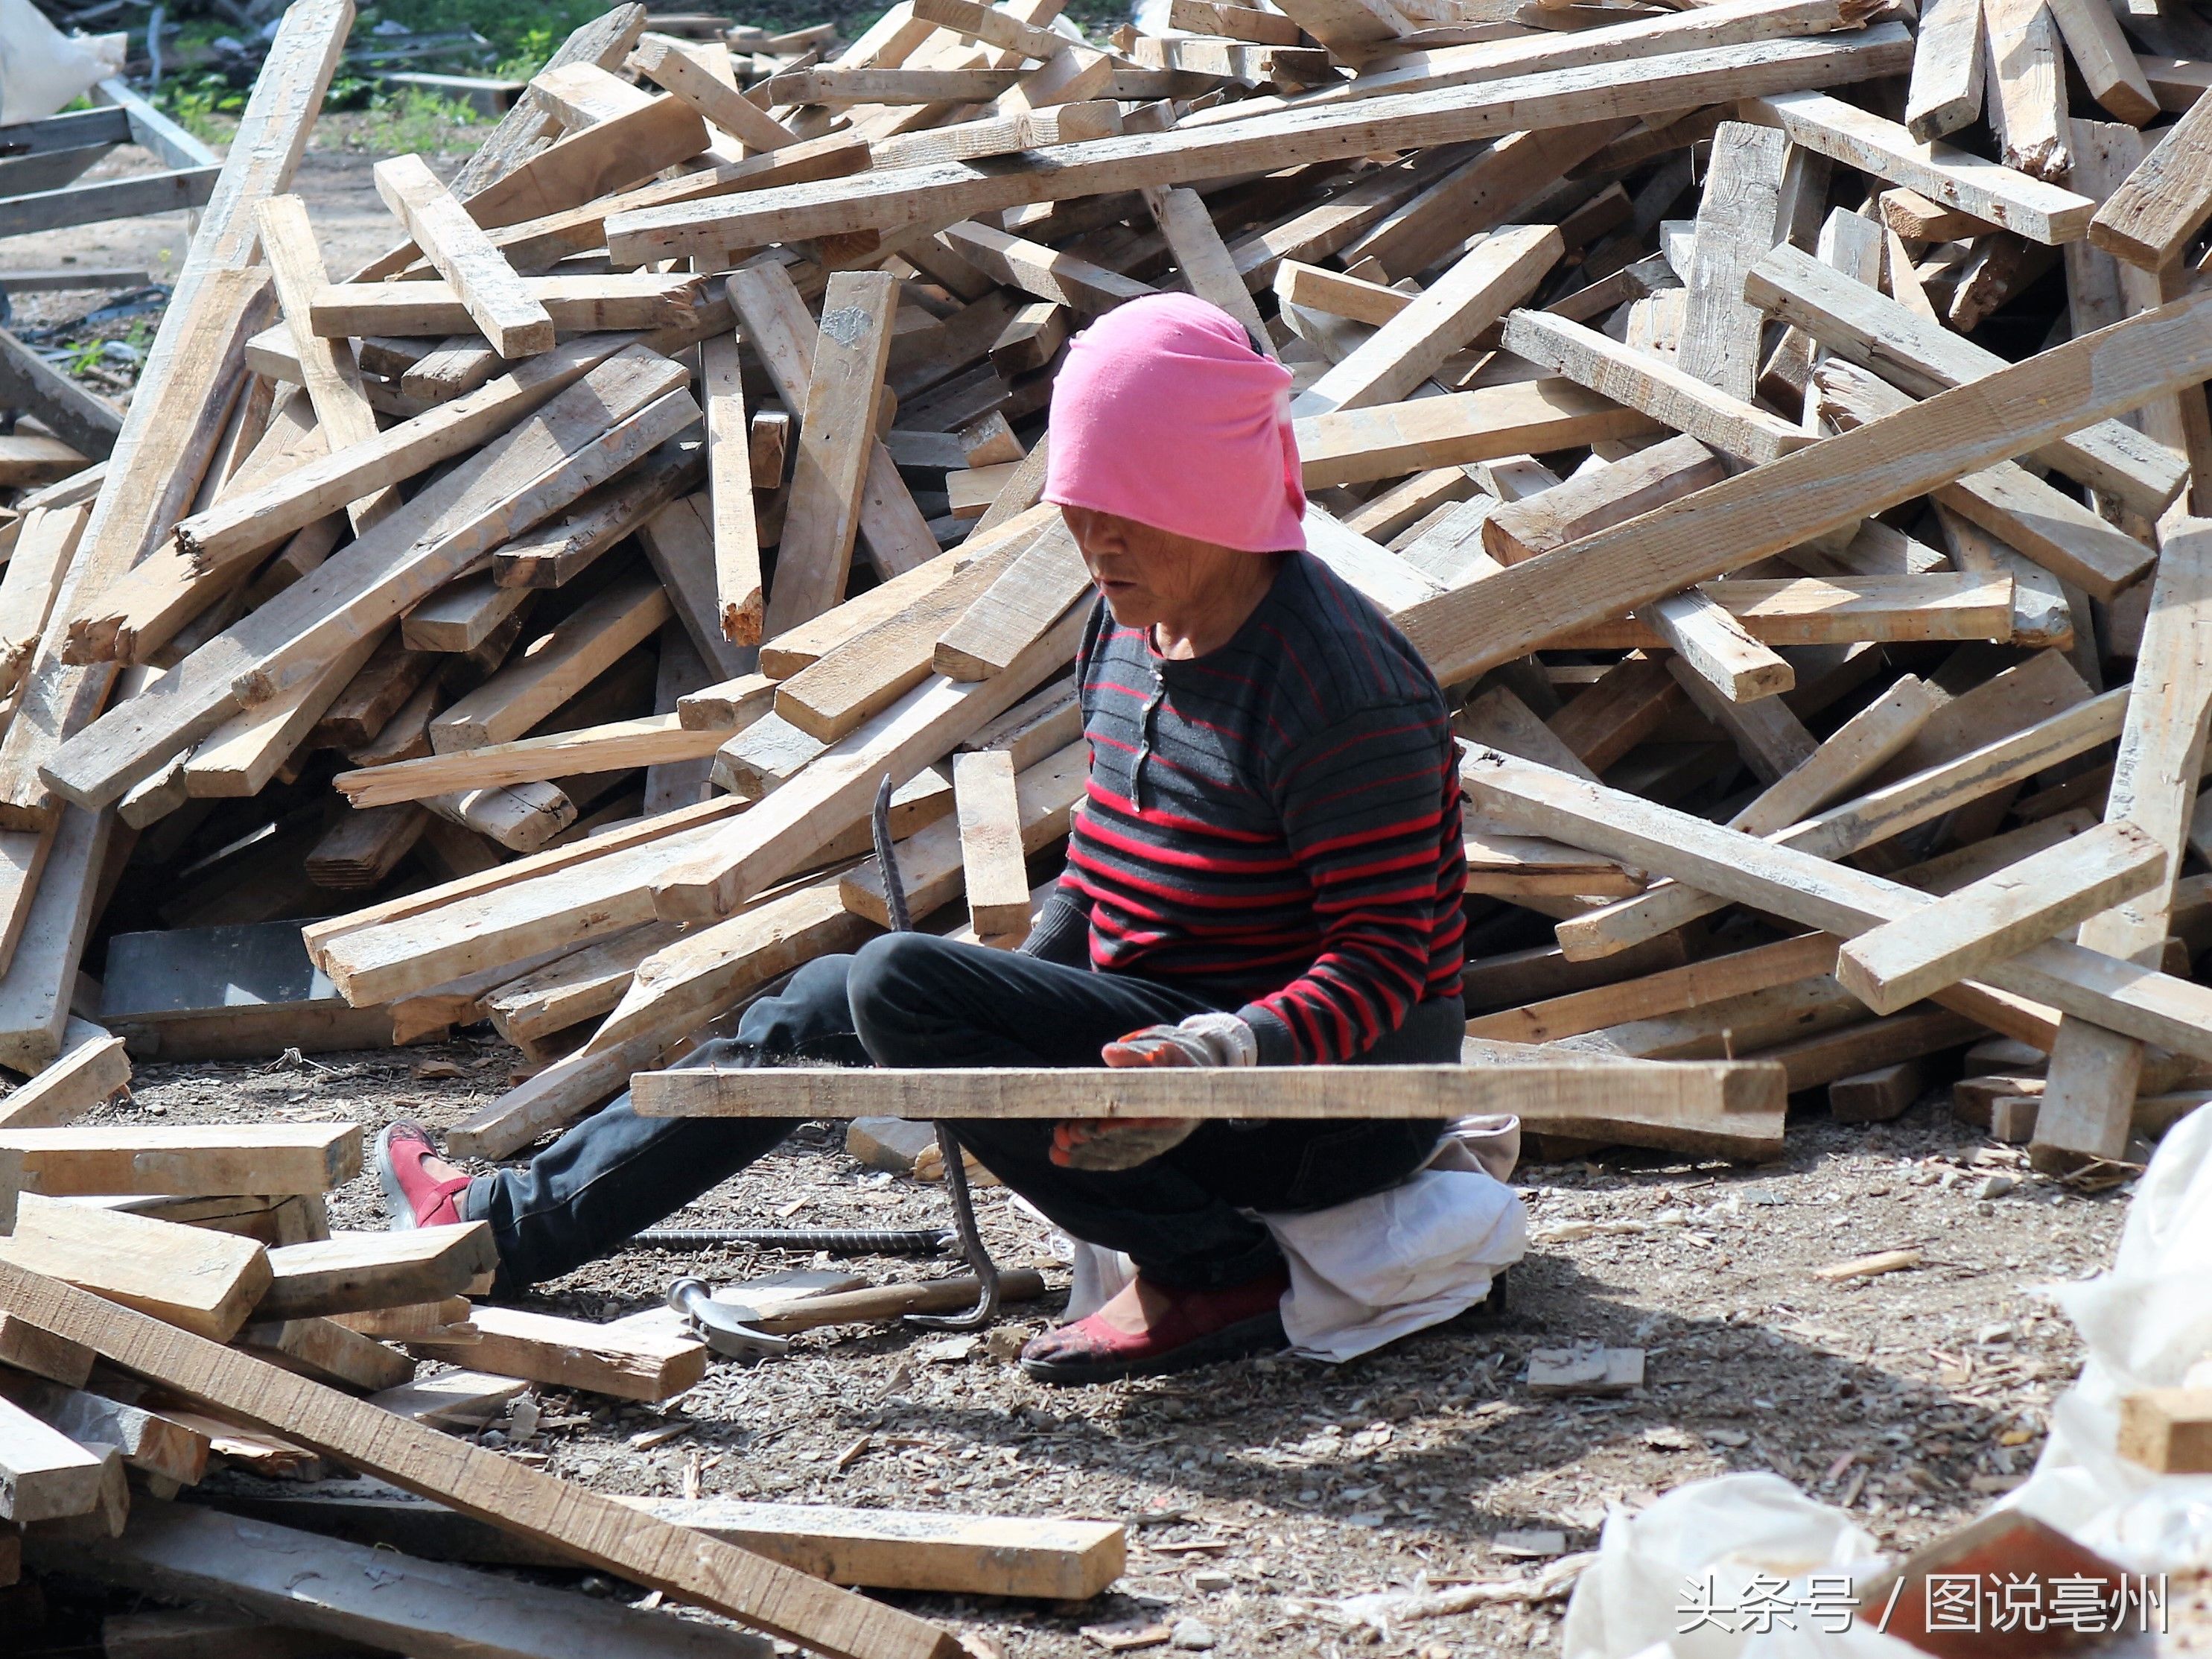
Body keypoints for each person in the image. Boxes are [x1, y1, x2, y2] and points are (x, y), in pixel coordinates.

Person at [378, 292, 1469, 1384]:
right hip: (1168, 1025)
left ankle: (1208, 1268)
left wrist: (1214, 1057)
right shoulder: (1129, 622)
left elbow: (1385, 967)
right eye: (1080, 509)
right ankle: (500, 1229)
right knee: (827, 1001)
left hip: (1326, 1098)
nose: (1095, 542)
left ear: (1218, 495)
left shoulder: (1338, 688)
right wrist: (1018, 1011)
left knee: (898, 982)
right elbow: (1099, 862)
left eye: (1129, 513)